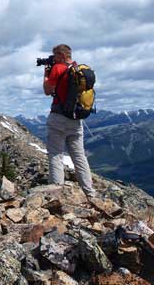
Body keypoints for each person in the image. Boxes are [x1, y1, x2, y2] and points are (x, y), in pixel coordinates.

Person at [42, 44, 96, 198]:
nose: (54, 58)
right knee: (79, 156)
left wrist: (46, 74)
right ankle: (90, 194)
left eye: (55, 55)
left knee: (55, 155)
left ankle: (56, 195)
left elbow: (47, 90)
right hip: (76, 118)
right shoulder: (78, 69)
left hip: (58, 117)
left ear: (62, 55)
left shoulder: (58, 68)